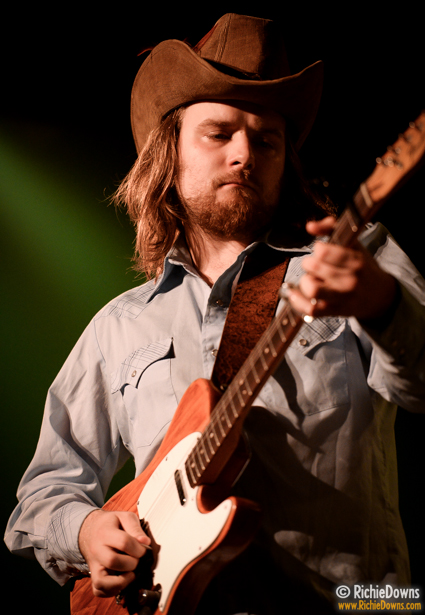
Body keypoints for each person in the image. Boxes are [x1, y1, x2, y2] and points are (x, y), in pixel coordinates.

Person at [5, 13, 425, 615]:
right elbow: (42, 494)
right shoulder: (119, 327)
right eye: (219, 133)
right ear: (169, 150)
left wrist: (382, 303)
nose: (244, 154)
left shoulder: (359, 259)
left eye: (267, 140)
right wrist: (86, 530)